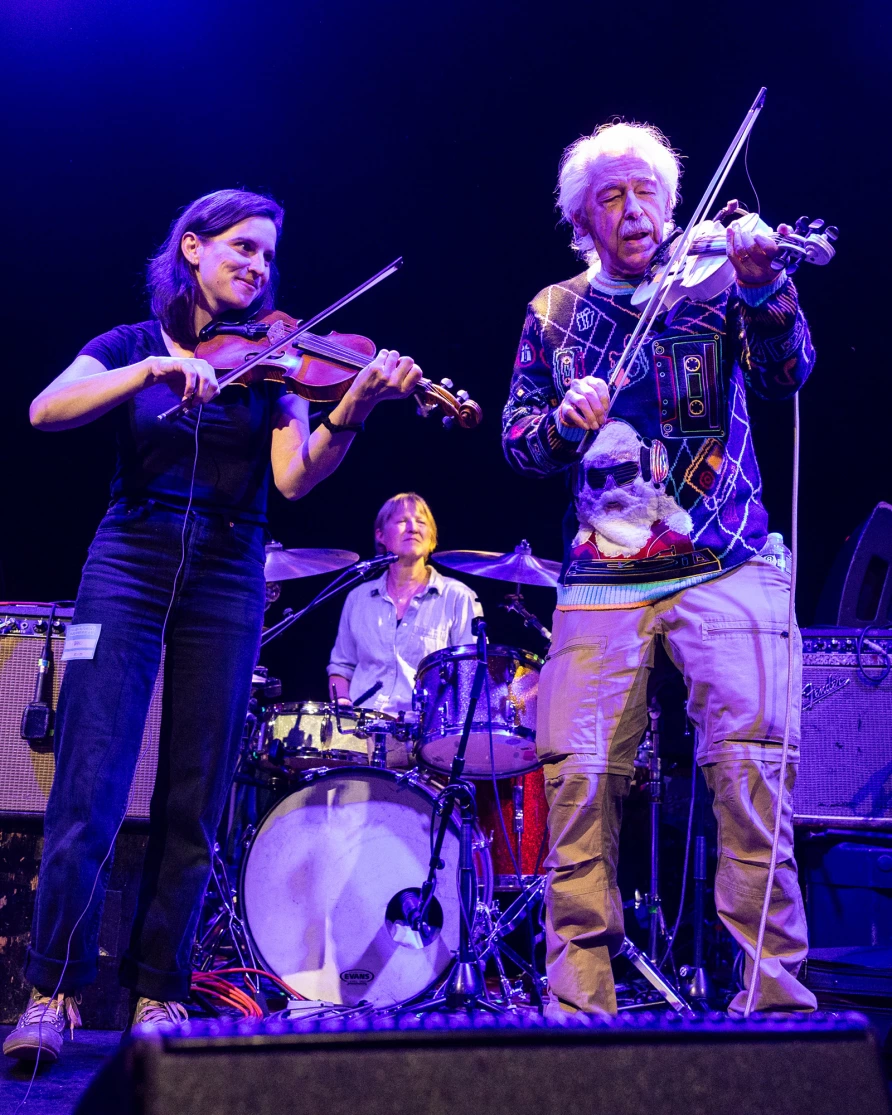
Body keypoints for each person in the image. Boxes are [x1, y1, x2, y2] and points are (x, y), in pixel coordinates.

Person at [4, 189, 423, 1063]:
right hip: (129, 555)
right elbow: (47, 409)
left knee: (196, 793)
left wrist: (352, 411)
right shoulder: (128, 345)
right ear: (191, 248)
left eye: (268, 255)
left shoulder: (275, 364)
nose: (258, 266)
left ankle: (158, 988)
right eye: (242, 247)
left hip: (231, 568)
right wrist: (153, 371)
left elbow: (297, 477)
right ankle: (51, 991)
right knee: (90, 779)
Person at [502, 122, 818, 1018]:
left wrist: (768, 286)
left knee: (753, 773)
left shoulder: (721, 278)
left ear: (674, 206)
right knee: (578, 779)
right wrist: (564, 422)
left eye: (646, 192)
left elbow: (786, 373)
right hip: (603, 576)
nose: (633, 208)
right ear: (581, 220)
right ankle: (580, 1007)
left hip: (731, 559)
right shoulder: (555, 312)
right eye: (611, 196)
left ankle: (779, 1007)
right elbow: (520, 442)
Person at [328, 493, 481, 739]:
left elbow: (470, 675)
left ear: (432, 537)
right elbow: (341, 667)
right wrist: (343, 703)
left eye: (421, 522)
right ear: (380, 535)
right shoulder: (358, 597)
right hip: (359, 732)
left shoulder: (458, 597)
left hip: (422, 737)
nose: (412, 528)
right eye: (402, 521)